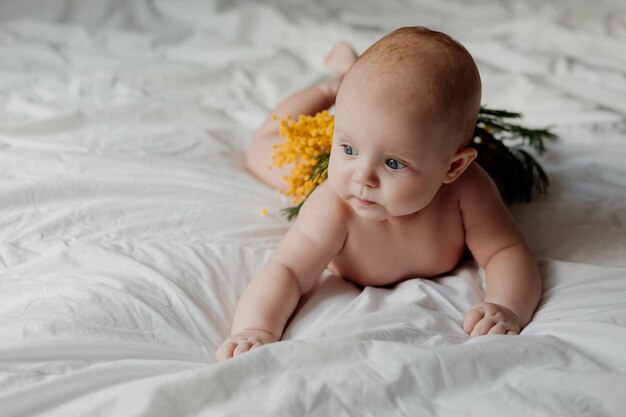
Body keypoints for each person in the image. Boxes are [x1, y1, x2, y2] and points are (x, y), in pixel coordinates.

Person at [215, 27, 542, 362]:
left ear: (453, 167)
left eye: (393, 163)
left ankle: (349, 97)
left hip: (371, 133)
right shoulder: (335, 204)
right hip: (312, 163)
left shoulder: (467, 191)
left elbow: (506, 249)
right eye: (347, 148)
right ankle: (334, 85)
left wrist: (506, 305)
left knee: (371, 131)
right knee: (265, 151)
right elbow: (287, 270)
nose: (363, 177)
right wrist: (255, 329)